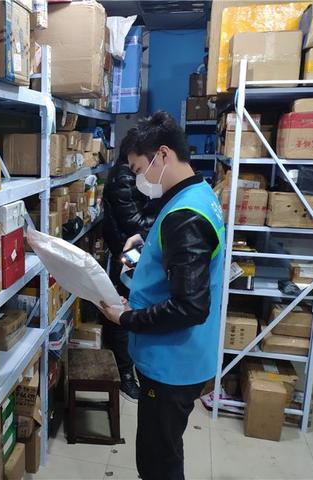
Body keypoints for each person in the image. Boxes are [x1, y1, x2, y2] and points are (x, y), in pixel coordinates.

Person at [99, 111, 225, 480]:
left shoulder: (185, 216)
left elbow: (189, 306)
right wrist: (145, 245)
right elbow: (180, 263)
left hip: (172, 363)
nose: (140, 180)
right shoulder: (197, 194)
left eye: (139, 170)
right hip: (183, 356)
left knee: (157, 463)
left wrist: (126, 318)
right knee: (163, 450)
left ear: (163, 155)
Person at [102, 141, 155, 401]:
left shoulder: (131, 176)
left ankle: (131, 368)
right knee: (123, 312)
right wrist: (165, 215)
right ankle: (125, 374)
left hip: (134, 251)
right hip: (128, 255)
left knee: (132, 307)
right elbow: (135, 223)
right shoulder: (124, 177)